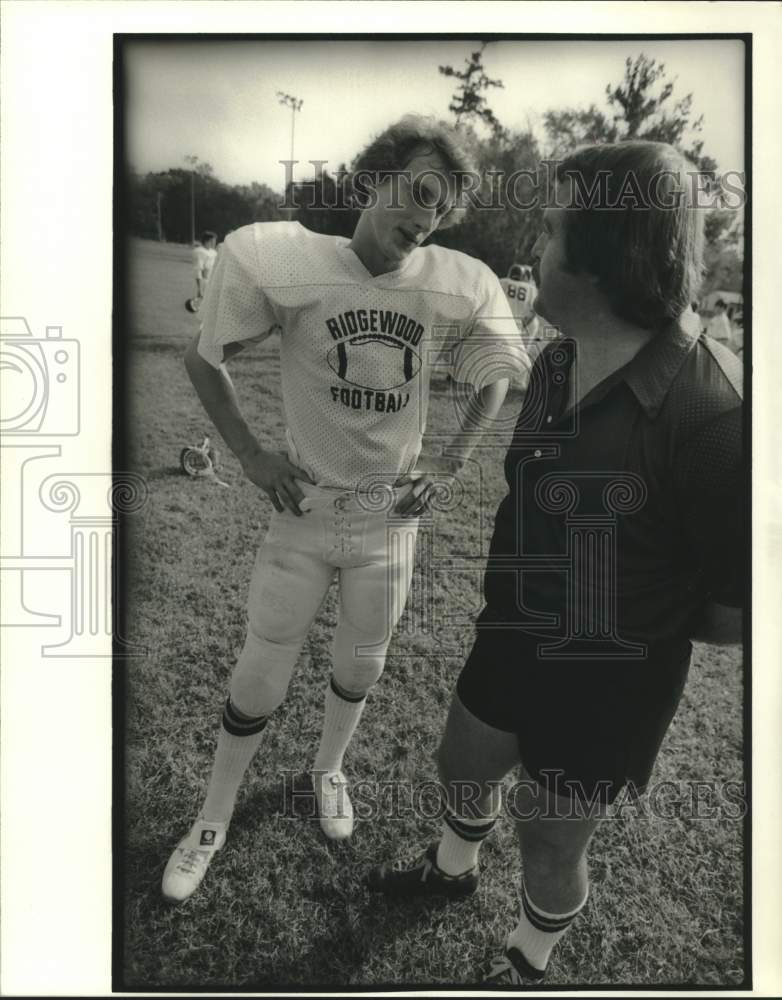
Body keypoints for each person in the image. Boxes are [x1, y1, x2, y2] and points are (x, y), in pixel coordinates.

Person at [368, 141, 744, 985]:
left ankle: (532, 955)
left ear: (605, 255)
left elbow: (743, 608)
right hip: (509, 634)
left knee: (548, 837)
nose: (533, 254)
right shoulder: (557, 362)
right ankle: (453, 871)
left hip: (609, 682)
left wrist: (629, 618)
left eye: (549, 229)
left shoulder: (719, 413)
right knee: (461, 766)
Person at [161, 115, 529, 903]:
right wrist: (254, 456)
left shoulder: (452, 280)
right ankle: (212, 817)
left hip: (390, 523)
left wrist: (453, 456)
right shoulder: (287, 259)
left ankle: (328, 770)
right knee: (262, 667)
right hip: (304, 512)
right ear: (372, 181)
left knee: (361, 662)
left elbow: (496, 368)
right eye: (416, 191)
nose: (425, 216)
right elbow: (205, 356)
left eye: (441, 205)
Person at [499, 262, 541, 349]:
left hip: (501, 322)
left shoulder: (503, 282)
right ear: (522, 276)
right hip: (520, 325)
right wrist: (523, 325)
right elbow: (534, 311)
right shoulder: (530, 288)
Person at [188, 230, 218, 312]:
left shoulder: (214, 252)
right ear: (208, 241)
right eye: (213, 241)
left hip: (213, 281)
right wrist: (199, 288)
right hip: (204, 281)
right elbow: (198, 270)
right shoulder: (199, 252)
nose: (215, 243)